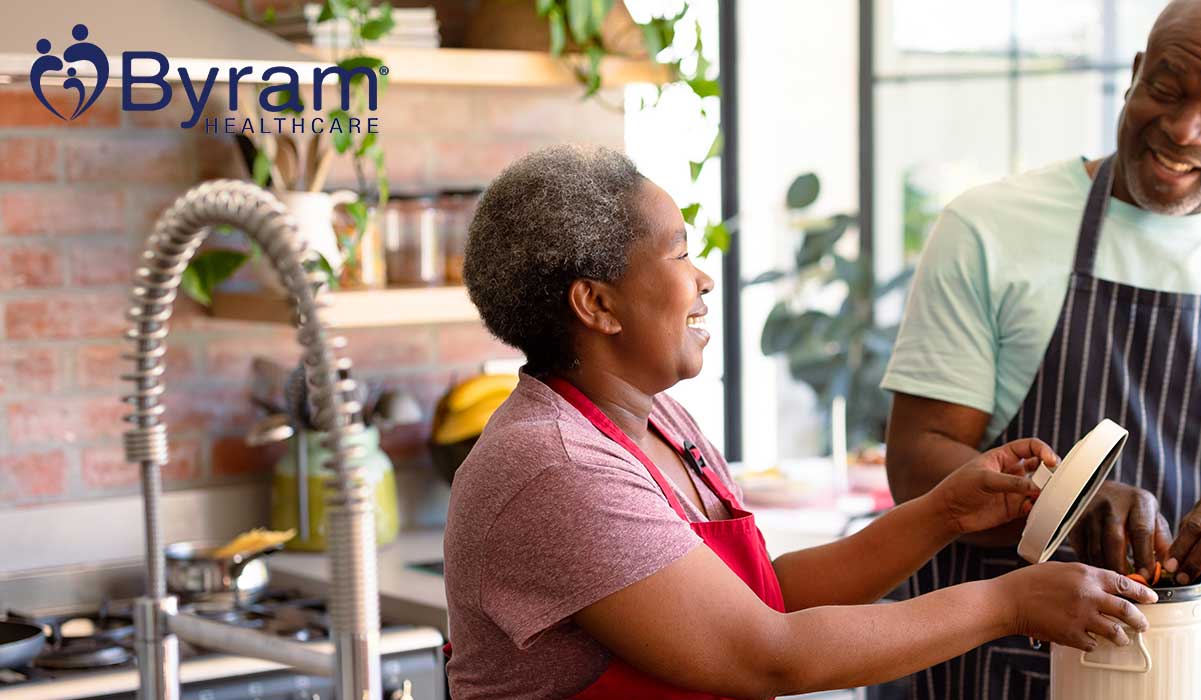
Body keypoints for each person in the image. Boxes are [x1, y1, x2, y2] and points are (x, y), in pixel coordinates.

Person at [443, 144, 1155, 700]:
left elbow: (765, 597)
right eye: (680, 252)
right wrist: (1010, 604)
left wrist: (942, 513)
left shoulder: (661, 421)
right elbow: (763, 653)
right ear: (596, 305)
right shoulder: (558, 468)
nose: (704, 278)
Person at [881, 0, 1201, 695]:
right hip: (992, 672)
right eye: (1166, 88)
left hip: (1198, 674)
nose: (1184, 129)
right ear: (1134, 75)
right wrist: (1065, 500)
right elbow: (917, 464)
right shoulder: (988, 229)